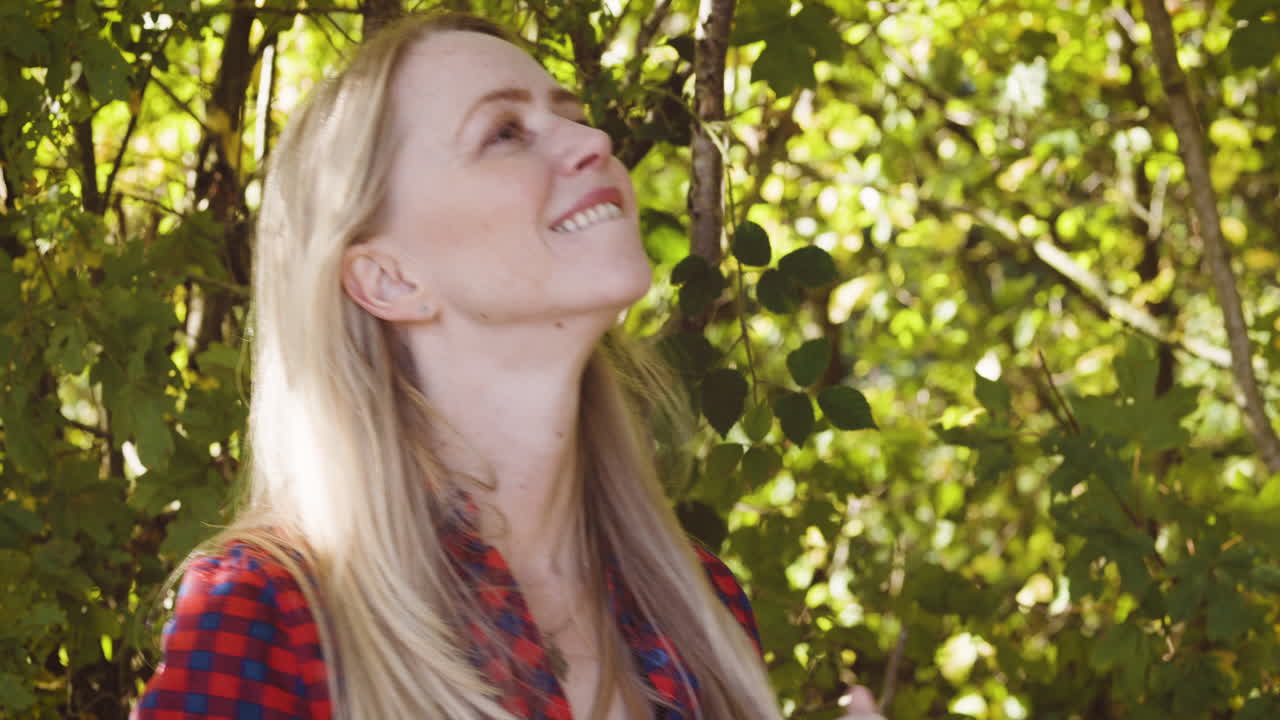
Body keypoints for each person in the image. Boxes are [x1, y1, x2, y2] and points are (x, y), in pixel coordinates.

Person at [133, 11, 886, 720]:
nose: (592, 140)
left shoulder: (698, 607)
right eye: (504, 132)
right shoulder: (269, 616)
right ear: (389, 278)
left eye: (571, 113)